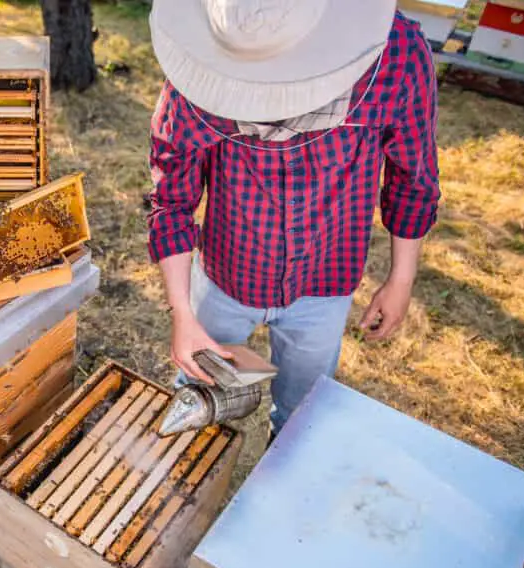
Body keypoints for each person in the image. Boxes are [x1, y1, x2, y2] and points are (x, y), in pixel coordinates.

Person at [147, 0, 441, 438]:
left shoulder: (395, 52)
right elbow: (171, 200)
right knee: (197, 397)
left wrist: (401, 279)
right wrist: (182, 315)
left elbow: (412, 178)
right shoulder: (199, 60)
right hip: (226, 273)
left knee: (301, 417)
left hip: (326, 279)